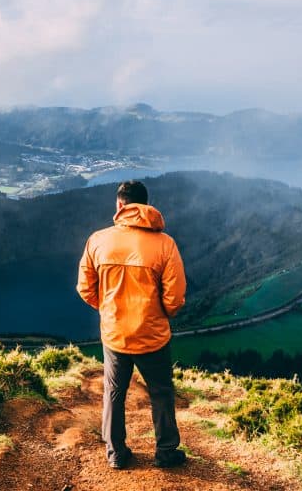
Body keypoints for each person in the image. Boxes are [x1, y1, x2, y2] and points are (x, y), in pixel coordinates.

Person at [76, 180, 187, 470]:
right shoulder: (165, 244)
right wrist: (156, 314)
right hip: (152, 335)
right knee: (161, 392)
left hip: (115, 335)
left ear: (120, 205)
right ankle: (165, 453)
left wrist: (110, 309)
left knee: (114, 392)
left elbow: (85, 288)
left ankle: (116, 453)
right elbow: (175, 299)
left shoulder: (98, 240)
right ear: (147, 207)